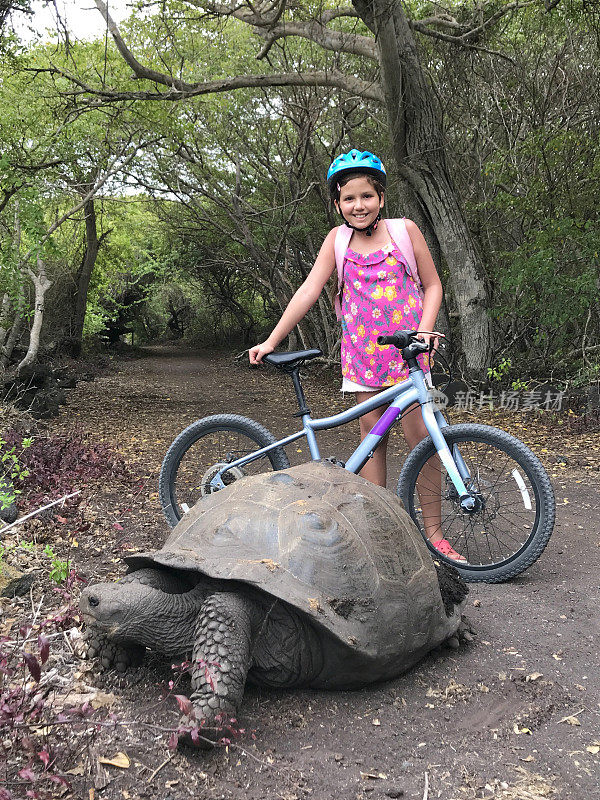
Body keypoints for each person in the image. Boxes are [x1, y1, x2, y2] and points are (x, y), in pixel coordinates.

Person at [249, 149, 464, 561]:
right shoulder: (338, 240)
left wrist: (424, 328)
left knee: (425, 442)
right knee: (373, 443)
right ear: (337, 204)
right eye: (349, 199)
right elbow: (309, 290)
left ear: (381, 197)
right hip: (363, 359)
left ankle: (435, 535)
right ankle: (380, 537)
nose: (358, 205)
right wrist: (273, 340)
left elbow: (433, 286)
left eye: (366, 196)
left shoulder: (405, 231)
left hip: (410, 357)